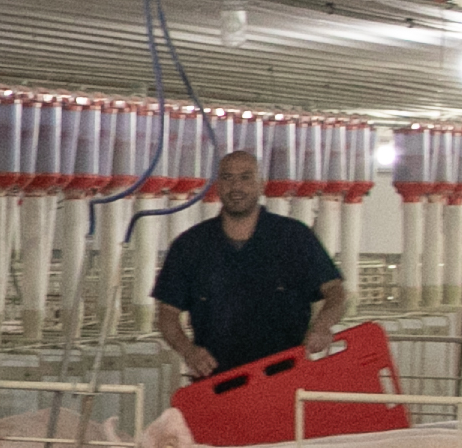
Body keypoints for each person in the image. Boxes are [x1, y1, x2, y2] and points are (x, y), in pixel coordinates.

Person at [148, 147, 350, 379]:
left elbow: (335, 291)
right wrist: (189, 351)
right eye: (227, 178)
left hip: (285, 378)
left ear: (260, 183)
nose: (236, 187)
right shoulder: (191, 246)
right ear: (217, 184)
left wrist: (323, 326)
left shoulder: (294, 238)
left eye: (245, 177)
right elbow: (167, 314)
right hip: (217, 384)